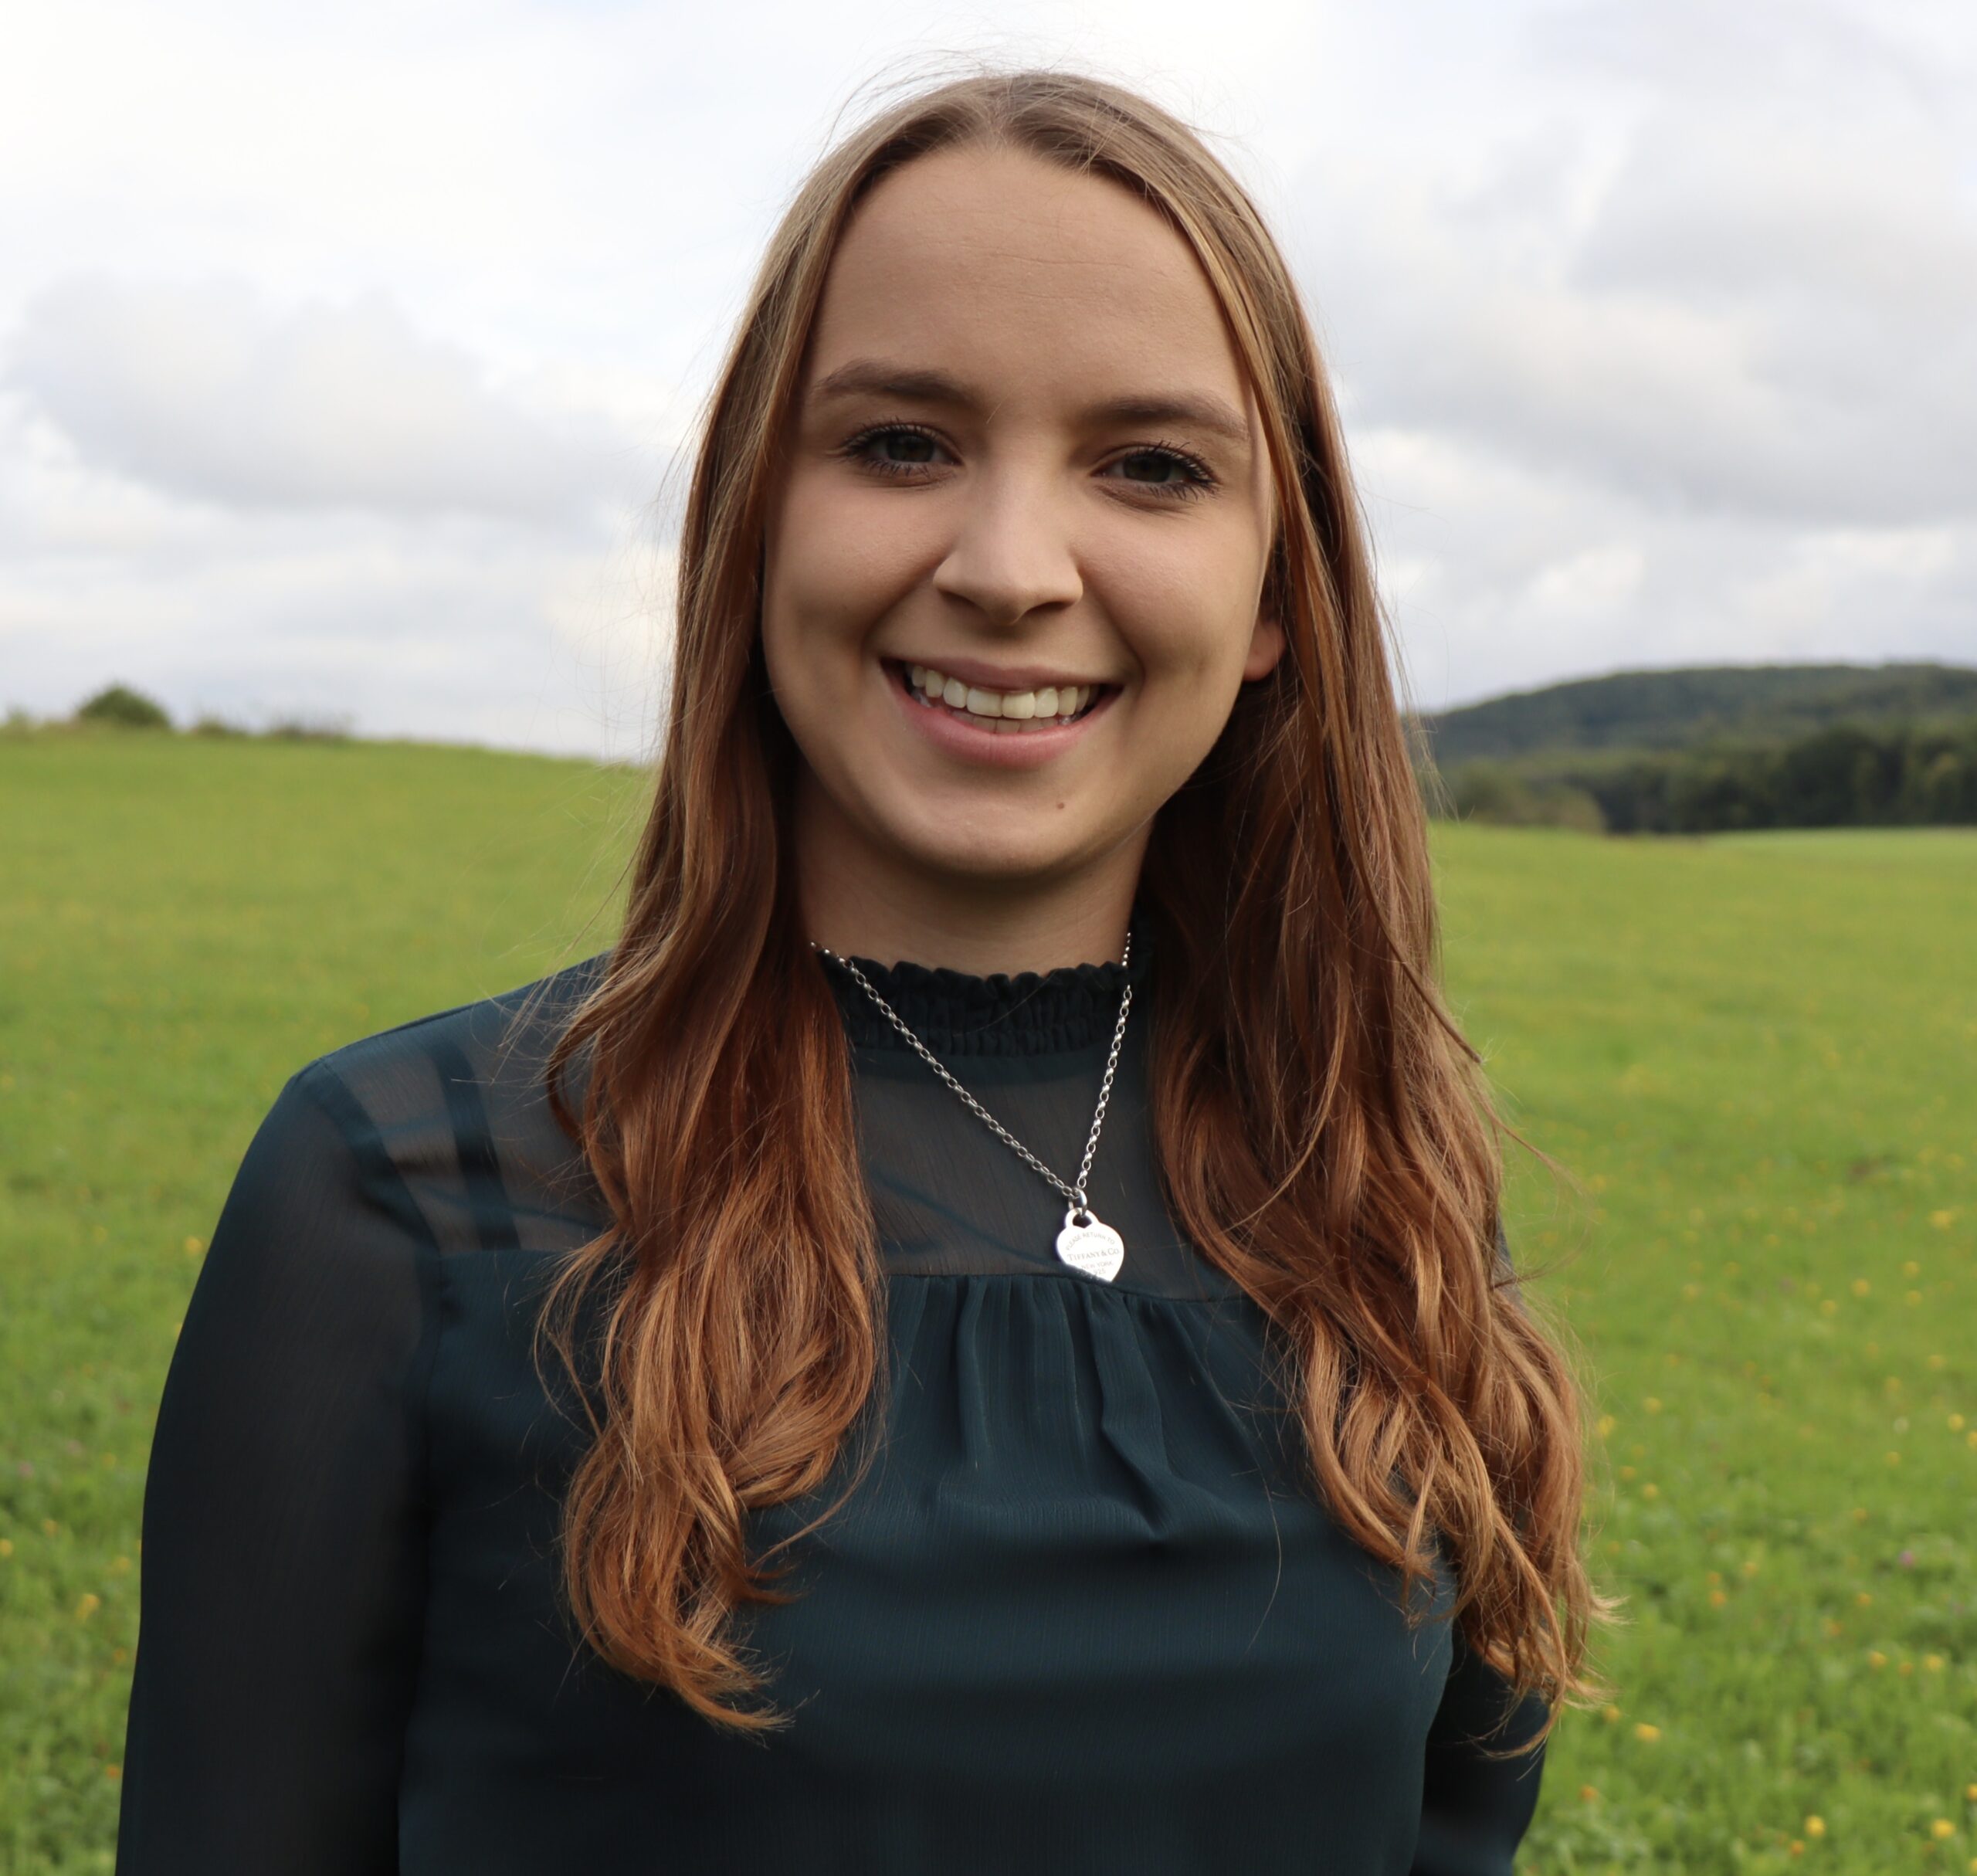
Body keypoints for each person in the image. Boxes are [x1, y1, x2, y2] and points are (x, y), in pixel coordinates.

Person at [114, 65, 1610, 1875]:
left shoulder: (1370, 1192)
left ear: (1277, 592)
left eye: (1148, 466)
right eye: (898, 443)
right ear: (750, 524)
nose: (1005, 569)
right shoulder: (402, 1196)